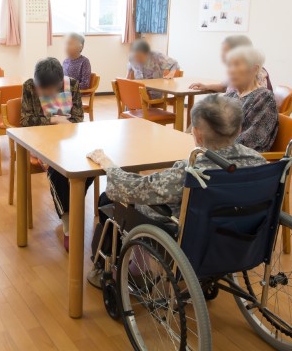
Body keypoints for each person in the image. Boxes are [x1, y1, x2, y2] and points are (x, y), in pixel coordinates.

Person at [87, 94, 267, 287]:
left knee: (108, 200)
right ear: (239, 129)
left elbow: (131, 188)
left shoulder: (191, 171)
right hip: (240, 235)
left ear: (196, 134)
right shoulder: (259, 162)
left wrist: (109, 165)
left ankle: (131, 270)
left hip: (191, 238)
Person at [21, 57, 92, 252]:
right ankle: (69, 222)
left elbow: (78, 118)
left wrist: (62, 124)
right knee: (56, 172)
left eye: (49, 90)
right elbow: (26, 120)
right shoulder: (29, 87)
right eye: (41, 89)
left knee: (90, 166)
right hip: (41, 142)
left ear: (60, 84)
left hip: (69, 142)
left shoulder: (72, 85)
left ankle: (73, 204)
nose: (44, 93)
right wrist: (54, 120)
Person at [223, 46, 278, 152]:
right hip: (217, 151)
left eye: (237, 65)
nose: (231, 70)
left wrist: (213, 143)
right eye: (230, 65)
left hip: (240, 157)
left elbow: (248, 141)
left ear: (255, 69)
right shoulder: (231, 95)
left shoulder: (264, 98)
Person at [189, 35, 273, 92]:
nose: (223, 55)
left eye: (226, 51)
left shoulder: (255, 73)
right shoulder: (236, 71)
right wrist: (206, 86)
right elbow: (224, 86)